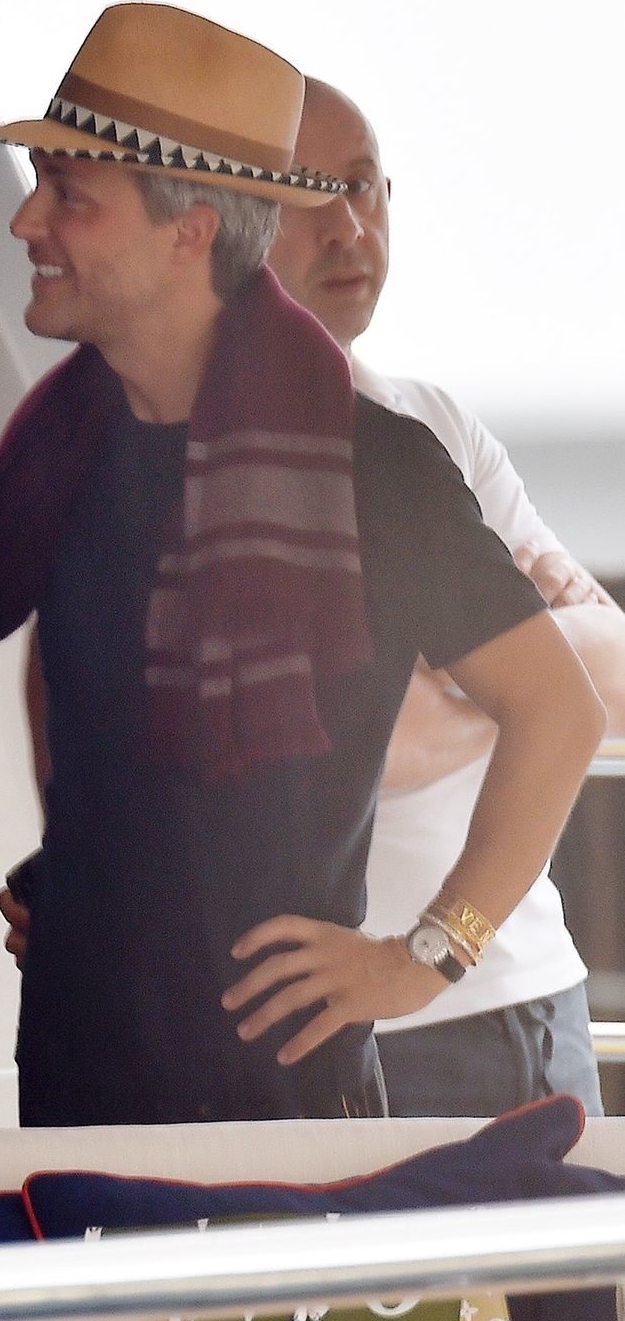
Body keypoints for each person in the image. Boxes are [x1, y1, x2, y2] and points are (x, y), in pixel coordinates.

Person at [0, 2, 604, 1126]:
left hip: (283, 1115)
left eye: (71, 195)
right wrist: (85, 873)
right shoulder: (71, 452)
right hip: (76, 1089)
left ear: (189, 232)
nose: (27, 221)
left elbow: (562, 713)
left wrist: (428, 955)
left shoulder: (371, 465)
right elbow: (74, 706)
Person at [265, 78, 625, 1117]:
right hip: (359, 1018)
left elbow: (611, 675)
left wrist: (478, 686)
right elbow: (352, 743)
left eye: (365, 186)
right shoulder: (209, 462)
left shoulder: (432, 427)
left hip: (528, 997)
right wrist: (518, 686)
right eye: (306, 192)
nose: (349, 225)